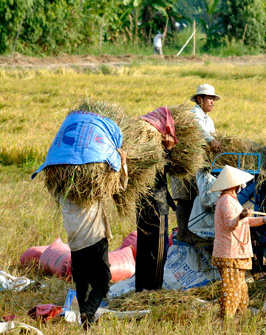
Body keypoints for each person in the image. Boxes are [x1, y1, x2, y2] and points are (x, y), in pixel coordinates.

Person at [62, 149, 128, 330]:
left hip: (75, 244)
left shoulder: (62, 194)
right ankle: (89, 311)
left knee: (81, 281)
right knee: (102, 282)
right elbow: (120, 186)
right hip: (95, 240)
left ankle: (84, 313)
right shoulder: (93, 189)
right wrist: (122, 163)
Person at [210, 165, 266, 318]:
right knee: (232, 288)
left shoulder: (232, 200)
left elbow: (246, 221)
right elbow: (230, 224)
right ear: (234, 184)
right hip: (230, 253)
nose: (242, 186)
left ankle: (239, 317)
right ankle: (227, 320)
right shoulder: (226, 200)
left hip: (236, 252)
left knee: (240, 287)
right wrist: (241, 216)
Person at [171, 83, 222, 245]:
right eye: (209, 98)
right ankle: (183, 232)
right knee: (184, 198)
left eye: (214, 99)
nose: (212, 102)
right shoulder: (194, 115)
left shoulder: (209, 119)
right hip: (184, 162)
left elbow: (211, 134)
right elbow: (201, 131)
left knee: (195, 197)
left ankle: (192, 230)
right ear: (199, 99)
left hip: (198, 164)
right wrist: (211, 140)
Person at [135, 107, 178, 292]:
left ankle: (141, 289)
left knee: (144, 247)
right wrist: (167, 150)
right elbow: (159, 171)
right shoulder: (155, 150)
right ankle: (154, 290)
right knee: (158, 249)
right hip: (156, 205)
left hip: (142, 204)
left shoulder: (139, 147)